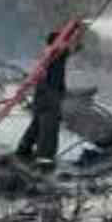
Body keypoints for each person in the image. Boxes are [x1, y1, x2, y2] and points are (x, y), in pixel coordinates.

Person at [16, 25, 82, 169]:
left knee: (37, 123)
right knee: (49, 126)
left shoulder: (51, 53)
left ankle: (23, 149)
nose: (67, 43)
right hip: (50, 94)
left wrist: (76, 32)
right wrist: (75, 34)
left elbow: (75, 47)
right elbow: (72, 47)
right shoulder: (55, 52)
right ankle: (44, 160)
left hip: (41, 94)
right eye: (65, 40)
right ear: (58, 42)